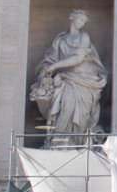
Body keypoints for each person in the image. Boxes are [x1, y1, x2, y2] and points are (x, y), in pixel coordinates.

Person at [31, 10, 108, 145]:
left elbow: (77, 58)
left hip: (84, 81)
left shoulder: (84, 37)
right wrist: (46, 69)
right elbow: (50, 59)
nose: (82, 23)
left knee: (80, 114)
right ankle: (59, 143)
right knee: (66, 105)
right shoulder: (60, 40)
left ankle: (74, 143)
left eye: (84, 21)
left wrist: (54, 67)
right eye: (80, 19)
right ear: (72, 17)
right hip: (66, 79)